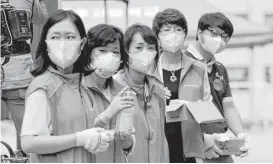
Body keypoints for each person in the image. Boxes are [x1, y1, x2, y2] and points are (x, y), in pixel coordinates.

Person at [20, 10, 112, 163]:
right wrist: (78, 139)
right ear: (46, 44)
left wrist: (97, 138)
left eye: (70, 37)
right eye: (55, 37)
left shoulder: (82, 86)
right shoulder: (43, 87)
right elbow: (29, 143)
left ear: (82, 44)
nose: (62, 44)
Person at [152, 8, 219, 163]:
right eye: (166, 30)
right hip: (157, 146)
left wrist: (190, 106)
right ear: (157, 36)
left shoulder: (198, 68)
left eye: (178, 30)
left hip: (189, 149)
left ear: (185, 34)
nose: (173, 35)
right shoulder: (149, 69)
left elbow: (209, 112)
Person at [185, 12, 249, 163]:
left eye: (225, 37)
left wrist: (240, 135)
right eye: (214, 33)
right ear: (200, 32)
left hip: (221, 147)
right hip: (193, 146)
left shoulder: (220, 69)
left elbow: (229, 107)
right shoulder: (182, 63)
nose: (219, 40)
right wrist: (204, 138)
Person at [113, 24, 169, 163]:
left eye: (151, 48)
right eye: (139, 47)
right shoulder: (114, 88)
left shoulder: (158, 89)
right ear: (126, 51)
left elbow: (161, 140)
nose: (146, 53)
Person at [81, 24, 136, 163]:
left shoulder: (122, 90)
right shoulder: (77, 89)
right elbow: (78, 138)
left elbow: (127, 146)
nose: (110, 56)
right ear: (89, 52)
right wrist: (109, 113)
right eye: (102, 50)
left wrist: (126, 138)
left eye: (115, 52)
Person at [1, 0, 48, 152]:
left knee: (29, 136)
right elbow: (41, 18)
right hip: (19, 75)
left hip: (18, 76)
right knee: (29, 136)